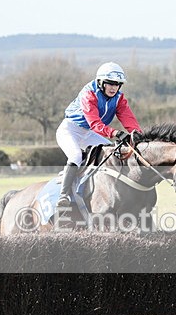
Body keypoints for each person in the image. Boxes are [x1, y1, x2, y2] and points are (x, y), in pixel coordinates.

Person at [55, 62, 142, 209]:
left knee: (110, 151)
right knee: (76, 155)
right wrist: (115, 133)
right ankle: (63, 195)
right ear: (101, 82)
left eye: (117, 84)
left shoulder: (119, 98)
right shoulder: (89, 94)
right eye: (110, 84)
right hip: (69, 130)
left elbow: (128, 118)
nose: (114, 88)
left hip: (88, 134)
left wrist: (137, 134)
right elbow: (95, 123)